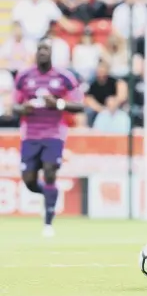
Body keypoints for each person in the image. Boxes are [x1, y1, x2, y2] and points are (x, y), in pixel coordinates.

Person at [13, 38, 84, 237]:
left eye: (46, 49)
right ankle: (49, 192)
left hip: (54, 133)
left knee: (50, 172)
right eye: (40, 49)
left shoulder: (64, 77)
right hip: (30, 134)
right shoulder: (24, 76)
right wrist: (23, 108)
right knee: (29, 180)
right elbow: (14, 106)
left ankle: (48, 224)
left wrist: (59, 104)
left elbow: (79, 106)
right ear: (36, 52)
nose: (43, 52)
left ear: (52, 53)